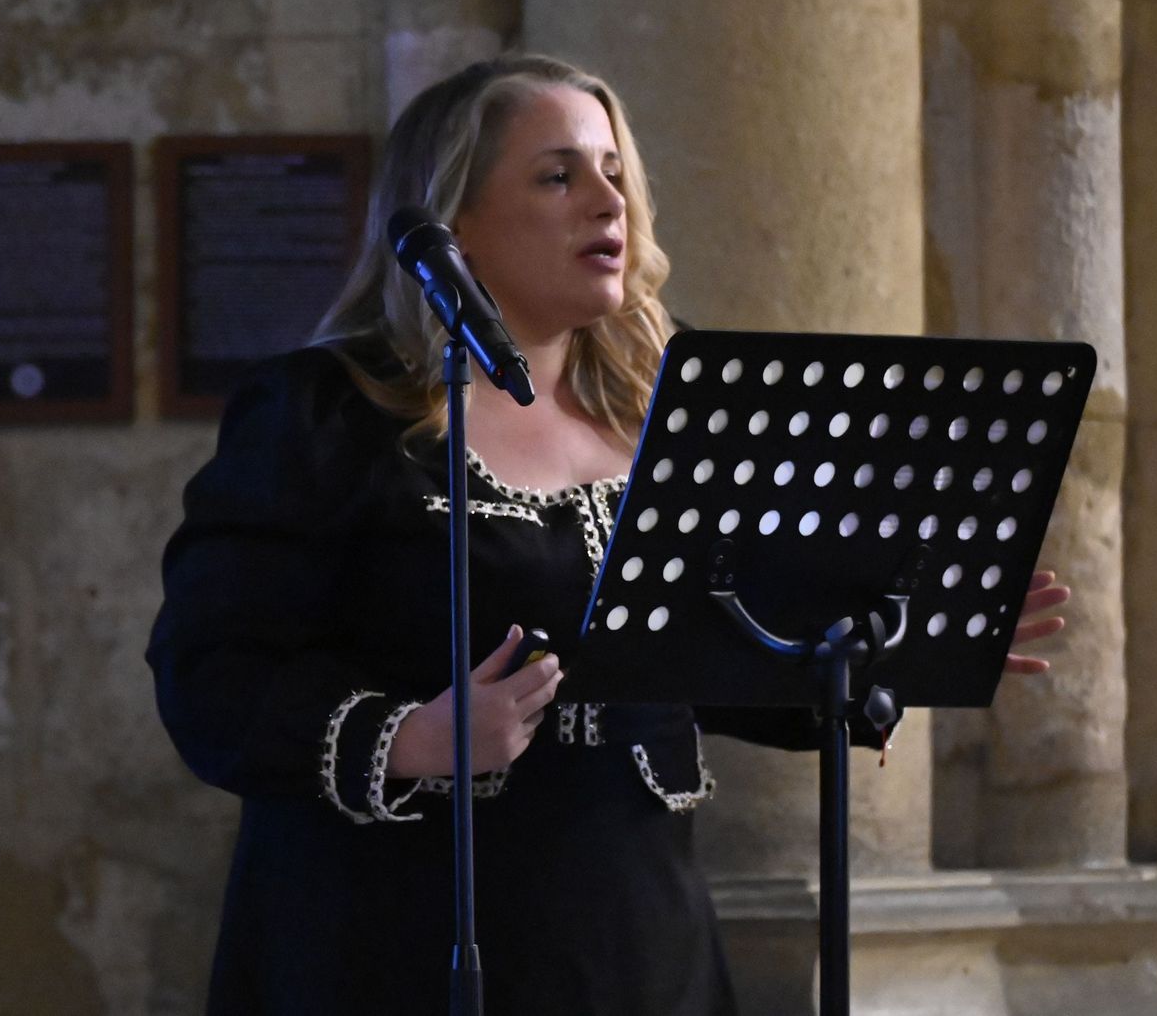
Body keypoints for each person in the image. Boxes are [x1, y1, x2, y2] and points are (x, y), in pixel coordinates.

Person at [145, 54, 1069, 1015]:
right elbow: (211, 676)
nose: (606, 199)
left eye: (614, 171)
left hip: (635, 937)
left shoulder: (670, 410)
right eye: (558, 175)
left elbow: (725, 657)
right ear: (452, 223)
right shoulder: (321, 413)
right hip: (392, 941)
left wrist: (899, 640)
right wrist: (413, 738)